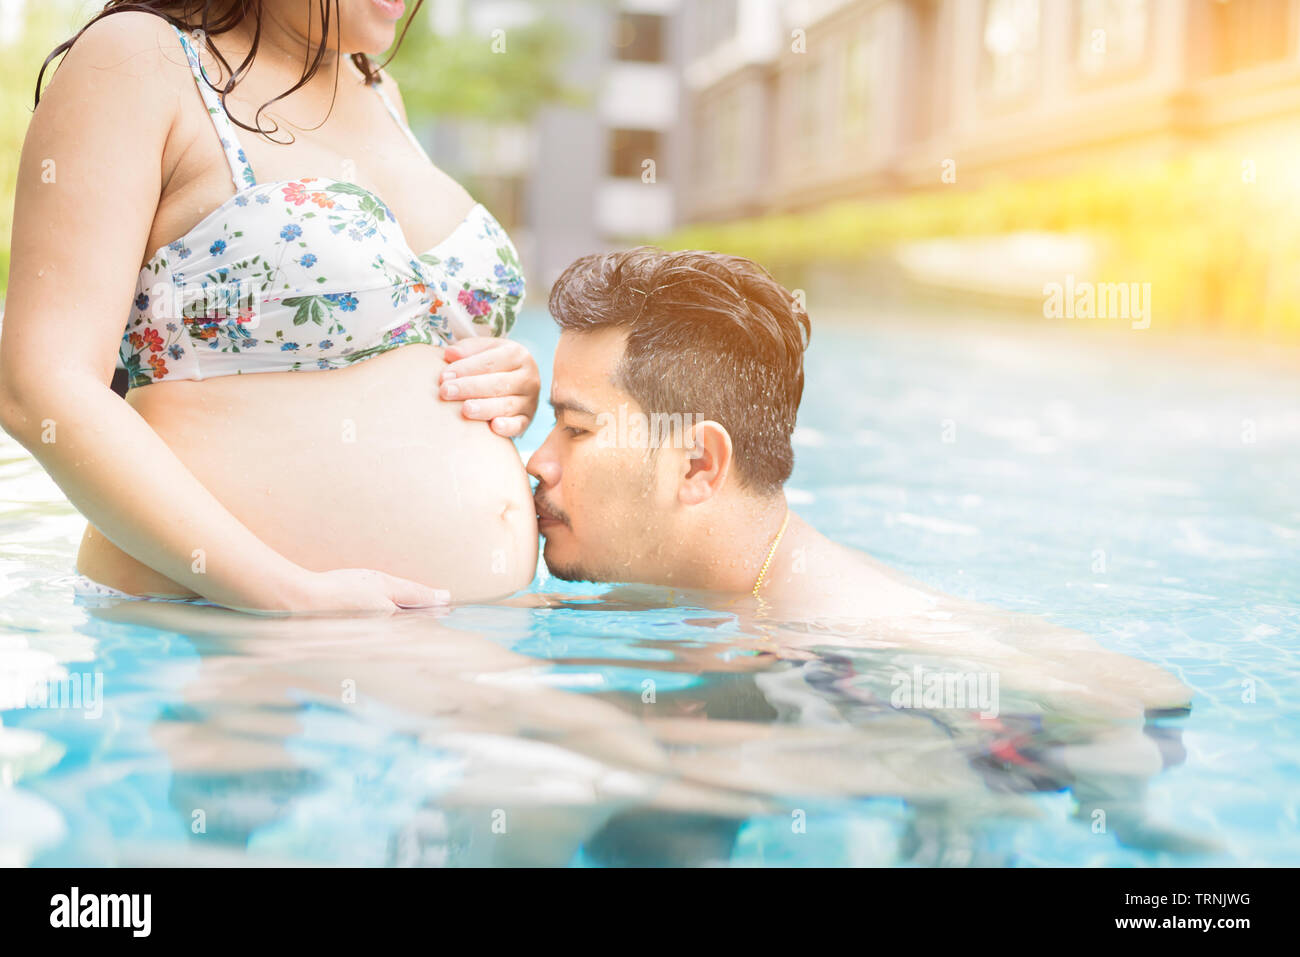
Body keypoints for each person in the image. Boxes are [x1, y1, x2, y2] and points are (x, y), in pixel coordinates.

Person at [0, 1, 540, 614]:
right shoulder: (137, 59)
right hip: (220, 633)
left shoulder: (378, 89)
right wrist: (286, 595)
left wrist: (502, 379)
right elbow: (41, 384)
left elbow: (397, 339)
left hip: (469, 630)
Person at [525, 247, 1192, 713]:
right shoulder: (692, 575)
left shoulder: (851, 633)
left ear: (699, 465)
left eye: (575, 430)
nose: (538, 460)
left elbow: (1135, 699)